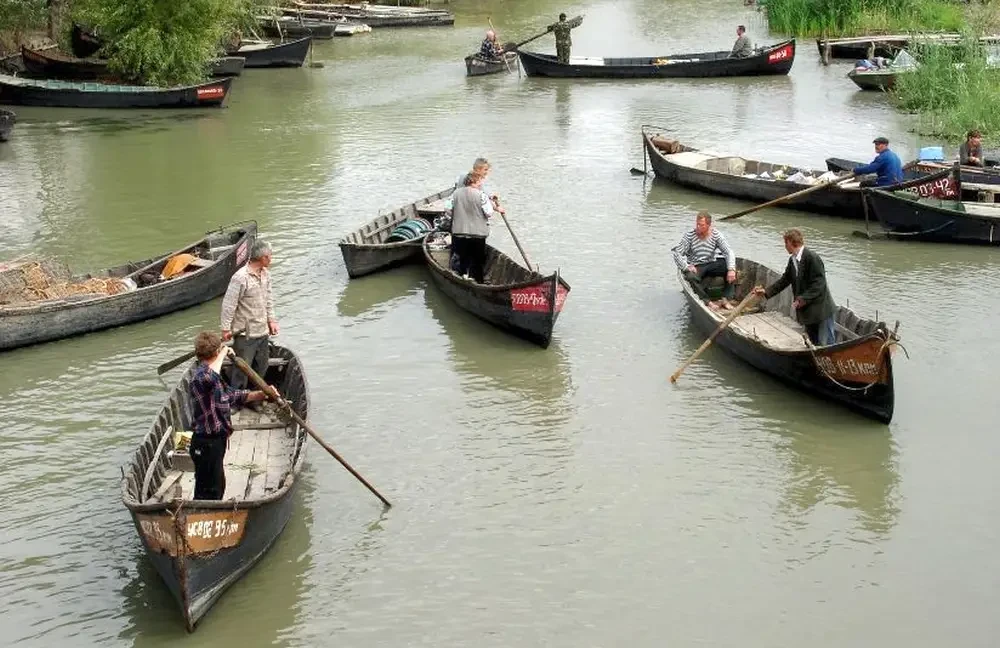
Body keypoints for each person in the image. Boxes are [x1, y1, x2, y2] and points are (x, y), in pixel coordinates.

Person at [188, 331, 272, 500]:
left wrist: (260, 394)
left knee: (218, 486)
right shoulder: (201, 376)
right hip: (206, 443)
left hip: (217, 441)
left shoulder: (214, 378)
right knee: (208, 492)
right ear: (216, 352)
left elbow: (231, 395)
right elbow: (209, 376)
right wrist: (224, 352)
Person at [752, 229, 837, 346]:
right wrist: (766, 292)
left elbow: (819, 284)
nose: (784, 246)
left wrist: (802, 299)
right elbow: (785, 280)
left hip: (821, 309)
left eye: (785, 243)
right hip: (809, 311)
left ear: (791, 242)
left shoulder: (812, 257)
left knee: (826, 343)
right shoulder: (792, 260)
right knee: (813, 344)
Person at [220, 239, 278, 394]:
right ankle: (237, 398)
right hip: (245, 334)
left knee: (261, 366)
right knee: (242, 370)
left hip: (262, 331)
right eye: (270, 256)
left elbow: (268, 299)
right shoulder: (240, 277)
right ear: (263, 258)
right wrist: (225, 328)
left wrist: (271, 320)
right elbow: (229, 305)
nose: (271, 259)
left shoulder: (266, 274)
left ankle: (255, 395)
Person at [672, 210, 737, 310]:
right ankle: (707, 301)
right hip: (696, 266)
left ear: (708, 225)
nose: (698, 227)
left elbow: (728, 252)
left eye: (701, 225)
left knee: (730, 266)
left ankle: (726, 298)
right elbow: (677, 253)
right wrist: (686, 266)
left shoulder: (716, 235)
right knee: (690, 276)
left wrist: (731, 269)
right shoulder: (689, 236)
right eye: (697, 224)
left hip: (711, 262)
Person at [451, 171, 498, 283]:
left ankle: (463, 276)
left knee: (463, 258)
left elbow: (448, 209)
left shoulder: (455, 193)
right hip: (478, 234)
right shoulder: (481, 195)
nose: (481, 183)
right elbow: (489, 213)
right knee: (477, 260)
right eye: (480, 181)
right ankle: (478, 281)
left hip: (460, 232)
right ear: (476, 181)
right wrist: (492, 203)